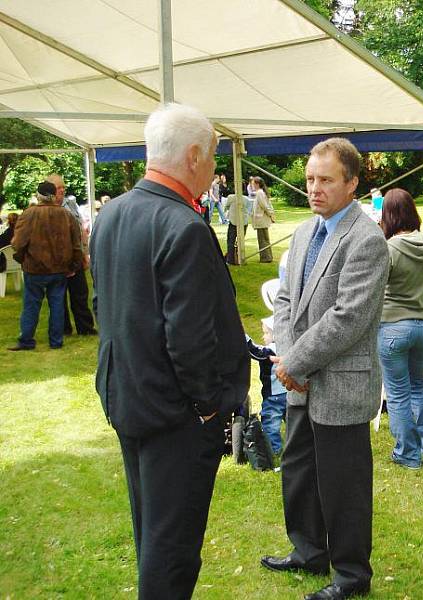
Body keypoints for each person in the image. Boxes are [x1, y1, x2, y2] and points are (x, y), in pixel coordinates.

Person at [90, 103, 250, 600]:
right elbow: (190, 338)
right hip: (175, 414)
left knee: (153, 535)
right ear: (194, 155)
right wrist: (207, 407)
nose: (214, 171)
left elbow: (105, 305)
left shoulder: (112, 213)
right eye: (213, 159)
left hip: (130, 398)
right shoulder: (182, 226)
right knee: (172, 548)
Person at [262, 138, 389, 600]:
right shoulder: (302, 232)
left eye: (326, 180)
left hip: (340, 385)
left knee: (344, 487)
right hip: (300, 380)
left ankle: (351, 576)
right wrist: (289, 359)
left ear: (352, 184)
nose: (314, 188)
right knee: (299, 473)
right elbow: (285, 298)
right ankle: (308, 551)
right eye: (310, 179)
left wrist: (293, 362)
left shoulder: (366, 239)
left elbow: (349, 317)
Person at [378, 187, 423, 469]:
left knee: (397, 392)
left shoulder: (389, 248)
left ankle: (408, 454)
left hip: (392, 327)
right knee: (418, 385)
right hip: (422, 326)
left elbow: (375, 288)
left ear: (388, 216)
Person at [8, 181, 82, 351]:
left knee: (31, 305)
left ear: (38, 195)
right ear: (54, 195)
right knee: (57, 305)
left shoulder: (29, 214)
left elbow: (18, 243)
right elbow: (76, 244)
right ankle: (56, 341)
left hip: (34, 268)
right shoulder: (66, 215)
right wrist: (74, 266)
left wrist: (21, 258)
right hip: (59, 269)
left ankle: (26, 340)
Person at [47, 174, 96, 336]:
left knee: (80, 295)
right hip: (56, 260)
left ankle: (85, 328)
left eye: (63, 187)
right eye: (58, 187)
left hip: (75, 256)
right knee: (58, 297)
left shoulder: (71, 204)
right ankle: (63, 328)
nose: (61, 190)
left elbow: (81, 229)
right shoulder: (44, 209)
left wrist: (85, 254)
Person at [247, 317, 287, 456]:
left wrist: (243, 337)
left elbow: (254, 351)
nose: (264, 336)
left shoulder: (271, 351)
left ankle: (274, 450)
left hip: (274, 397)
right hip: (290, 393)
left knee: (271, 424)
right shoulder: (289, 347)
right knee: (293, 422)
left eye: (266, 333)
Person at [251, 176, 276, 263]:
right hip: (261, 219)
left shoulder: (259, 193)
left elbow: (265, 206)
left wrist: (271, 215)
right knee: (264, 238)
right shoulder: (260, 192)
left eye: (253, 183)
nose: (252, 185)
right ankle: (267, 257)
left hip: (261, 219)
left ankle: (266, 258)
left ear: (257, 184)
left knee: (263, 239)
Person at [224, 188, 248, 265]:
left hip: (234, 222)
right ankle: (239, 258)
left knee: (231, 241)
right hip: (243, 223)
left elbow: (226, 206)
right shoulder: (246, 199)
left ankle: (231, 260)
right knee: (240, 242)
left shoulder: (231, 197)